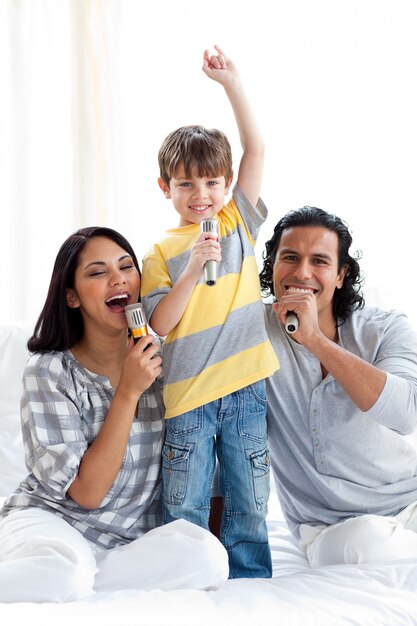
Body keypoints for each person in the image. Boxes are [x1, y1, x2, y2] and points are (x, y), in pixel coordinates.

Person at [0, 226, 228, 603]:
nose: (118, 278)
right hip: (53, 522)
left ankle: (76, 582)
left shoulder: (166, 359)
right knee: (63, 571)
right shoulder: (48, 371)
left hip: (123, 542)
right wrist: (128, 392)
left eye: (126, 267)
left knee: (207, 558)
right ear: (71, 297)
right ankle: (64, 576)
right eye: (97, 272)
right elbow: (87, 494)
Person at [140, 46, 279, 579]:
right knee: (186, 497)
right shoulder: (158, 254)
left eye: (212, 183)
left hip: (245, 387)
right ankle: (187, 578)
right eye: (186, 184)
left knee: (249, 492)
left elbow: (257, 148)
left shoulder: (237, 222)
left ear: (225, 185)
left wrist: (232, 85)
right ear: (166, 188)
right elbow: (158, 325)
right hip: (187, 397)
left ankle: (249, 580)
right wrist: (194, 269)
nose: (201, 195)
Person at [260, 205, 417, 567]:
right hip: (330, 528)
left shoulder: (386, 328)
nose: (302, 272)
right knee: (366, 547)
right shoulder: (253, 334)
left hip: (408, 502)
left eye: (319, 261)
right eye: (290, 257)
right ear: (272, 267)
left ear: (341, 274)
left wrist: (315, 339)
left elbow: (406, 415)